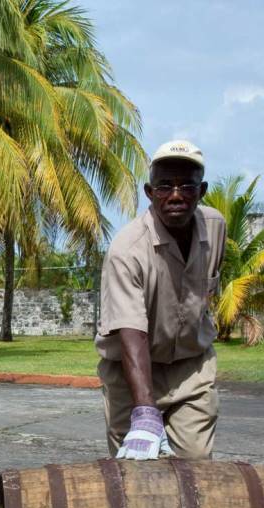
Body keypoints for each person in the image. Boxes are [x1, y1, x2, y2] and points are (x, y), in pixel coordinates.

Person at [95, 140, 226, 460]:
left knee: (195, 464)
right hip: (130, 371)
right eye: (165, 185)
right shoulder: (127, 251)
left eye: (187, 186)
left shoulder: (215, 228)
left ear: (202, 190)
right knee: (136, 472)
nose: (176, 195)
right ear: (150, 192)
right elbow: (131, 333)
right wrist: (144, 413)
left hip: (191, 369)